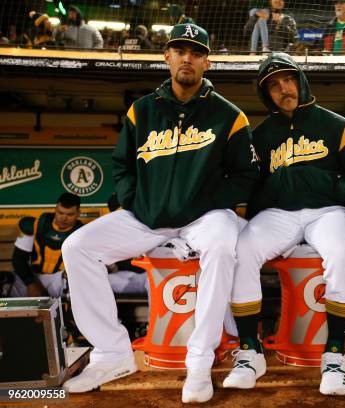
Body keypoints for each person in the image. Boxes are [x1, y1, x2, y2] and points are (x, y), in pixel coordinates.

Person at [60, 23, 260, 404]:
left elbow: (246, 176)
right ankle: (113, 352)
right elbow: (122, 166)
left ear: (207, 63)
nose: (188, 58)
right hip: (147, 215)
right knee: (77, 247)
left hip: (203, 216)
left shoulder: (228, 115)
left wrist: (207, 201)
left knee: (221, 246)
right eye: (180, 50)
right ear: (166, 56)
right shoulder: (142, 111)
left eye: (196, 52)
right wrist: (136, 200)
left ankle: (199, 361)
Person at [222, 52, 345, 396]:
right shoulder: (260, 136)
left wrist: (334, 189)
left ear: (300, 81)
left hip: (328, 211)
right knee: (241, 250)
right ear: (266, 94)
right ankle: (249, 352)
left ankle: (334, 356)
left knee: (340, 253)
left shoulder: (337, 125)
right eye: (273, 86)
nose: (283, 89)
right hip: (280, 214)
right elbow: (254, 182)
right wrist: (262, 209)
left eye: (288, 80)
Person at [11, 193, 82, 298]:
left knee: (79, 282)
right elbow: (19, 259)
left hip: (60, 279)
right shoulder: (36, 225)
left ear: (78, 213)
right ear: (55, 209)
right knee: (5, 282)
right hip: (33, 276)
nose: (64, 218)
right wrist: (31, 283)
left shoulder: (82, 233)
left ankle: (67, 313)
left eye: (69, 214)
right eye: (60, 213)